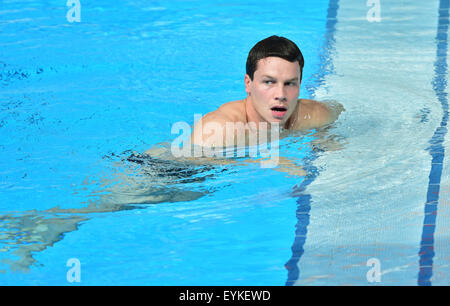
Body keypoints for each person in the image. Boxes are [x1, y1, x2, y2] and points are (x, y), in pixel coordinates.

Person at [190, 35, 343, 148]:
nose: (281, 95)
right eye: (269, 82)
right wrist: (263, 162)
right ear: (248, 84)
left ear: (300, 85)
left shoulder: (314, 115)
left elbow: (339, 109)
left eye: (290, 83)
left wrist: (324, 137)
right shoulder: (218, 130)